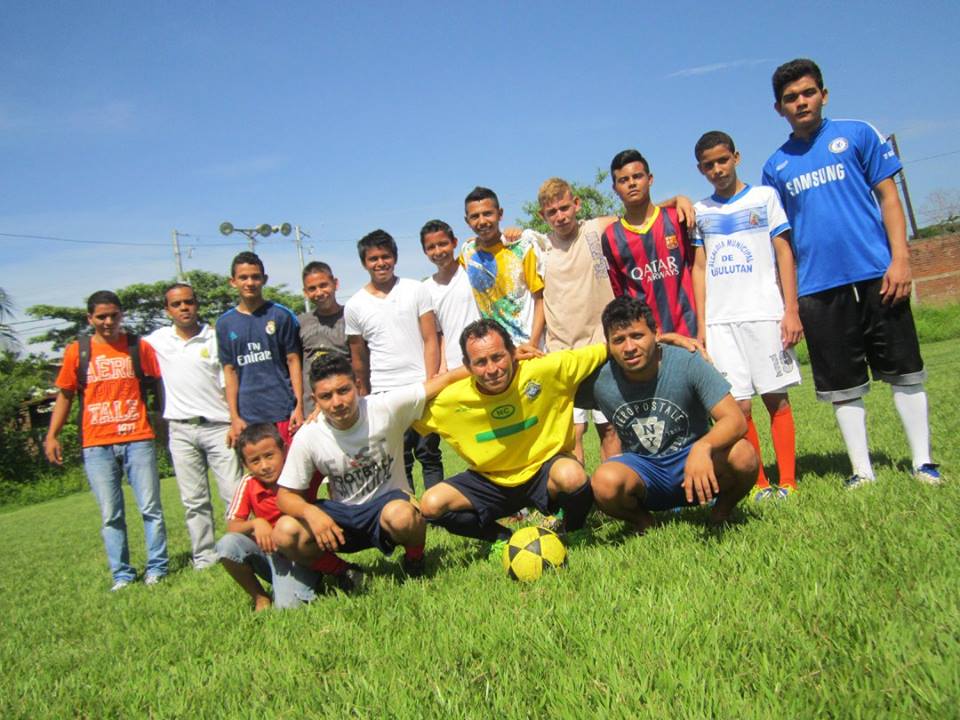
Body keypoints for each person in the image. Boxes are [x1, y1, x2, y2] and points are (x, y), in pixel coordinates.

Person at [761, 58, 940, 487]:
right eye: (791, 98)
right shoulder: (776, 166)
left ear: (823, 94)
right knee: (843, 383)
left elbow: (889, 197)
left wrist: (901, 259)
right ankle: (862, 470)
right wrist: (790, 303)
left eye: (808, 93)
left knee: (904, 369)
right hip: (819, 288)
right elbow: (781, 239)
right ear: (778, 109)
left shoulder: (858, 134)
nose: (801, 102)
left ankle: (923, 462)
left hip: (878, 274)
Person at [415, 319, 606, 551]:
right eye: (480, 362)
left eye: (498, 357)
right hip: (490, 482)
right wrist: (446, 378)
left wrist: (657, 341)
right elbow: (397, 409)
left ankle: (573, 530)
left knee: (573, 476)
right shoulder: (450, 400)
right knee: (431, 504)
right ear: (467, 366)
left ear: (513, 352)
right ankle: (500, 538)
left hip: (543, 470)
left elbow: (606, 349)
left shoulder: (546, 368)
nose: (492, 370)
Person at [273, 354, 468, 579]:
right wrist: (311, 513)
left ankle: (415, 561)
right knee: (285, 532)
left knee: (403, 516)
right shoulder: (309, 435)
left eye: (343, 390)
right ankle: (345, 574)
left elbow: (447, 379)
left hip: (386, 509)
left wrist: (510, 356)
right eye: (326, 396)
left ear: (357, 386)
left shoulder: (384, 407)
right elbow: (285, 496)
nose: (337, 402)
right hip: (342, 518)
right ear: (314, 399)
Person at [691, 131, 803, 501]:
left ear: (736, 157)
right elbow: (699, 266)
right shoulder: (700, 211)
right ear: (700, 169)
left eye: (723, 160)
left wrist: (790, 309)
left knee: (776, 398)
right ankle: (758, 482)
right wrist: (703, 325)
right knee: (738, 406)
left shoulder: (764, 198)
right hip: (721, 323)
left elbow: (784, 253)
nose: (717, 169)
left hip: (764, 314)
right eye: (709, 165)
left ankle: (788, 481)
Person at [584, 296, 757, 532]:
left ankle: (720, 514)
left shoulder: (687, 362)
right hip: (644, 472)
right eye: (619, 340)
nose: (629, 347)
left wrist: (702, 447)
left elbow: (735, 420)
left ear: (656, 334)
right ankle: (645, 524)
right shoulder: (600, 380)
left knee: (743, 455)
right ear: (608, 346)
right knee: (603, 482)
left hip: (695, 465)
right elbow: (552, 382)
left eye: (637, 335)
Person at [44, 290, 169, 591]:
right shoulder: (78, 351)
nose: (108, 321)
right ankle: (122, 575)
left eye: (114, 315)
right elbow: (65, 394)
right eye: (101, 316)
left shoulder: (139, 347)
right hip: (96, 443)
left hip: (137, 437)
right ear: (90, 319)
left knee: (150, 508)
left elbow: (158, 386)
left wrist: (163, 424)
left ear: (122, 315)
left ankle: (157, 567)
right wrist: (52, 435)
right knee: (111, 513)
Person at [146, 283, 242, 569]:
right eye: (177, 304)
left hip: (218, 427)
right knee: (194, 499)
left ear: (196, 304)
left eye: (189, 302)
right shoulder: (157, 341)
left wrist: (234, 419)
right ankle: (204, 556)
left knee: (233, 494)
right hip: (180, 430)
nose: (184, 308)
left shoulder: (214, 338)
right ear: (167, 310)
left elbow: (229, 381)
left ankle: (240, 547)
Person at [530, 177, 621, 464]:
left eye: (564, 208)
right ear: (542, 216)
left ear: (576, 204)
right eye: (552, 212)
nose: (560, 216)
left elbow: (638, 214)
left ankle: (614, 494)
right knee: (571, 431)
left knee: (610, 426)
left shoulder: (595, 229)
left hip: (602, 347)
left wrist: (678, 201)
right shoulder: (539, 247)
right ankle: (578, 498)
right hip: (562, 352)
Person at [344, 229, 443, 491]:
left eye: (385, 256)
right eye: (373, 259)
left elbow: (431, 339)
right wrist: (363, 391)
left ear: (395, 258)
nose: (380, 263)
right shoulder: (354, 305)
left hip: (420, 386)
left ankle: (439, 509)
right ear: (364, 263)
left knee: (429, 453)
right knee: (398, 457)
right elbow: (358, 356)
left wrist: (430, 380)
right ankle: (406, 506)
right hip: (384, 391)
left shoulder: (416, 289)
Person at [216, 423, 352, 611]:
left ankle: (328, 572)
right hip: (270, 553)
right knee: (227, 545)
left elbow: (328, 461)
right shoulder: (249, 483)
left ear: (285, 450)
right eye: (255, 461)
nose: (264, 466)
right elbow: (233, 527)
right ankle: (260, 597)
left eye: (269, 456)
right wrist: (257, 523)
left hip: (300, 554)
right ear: (245, 465)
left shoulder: (300, 473)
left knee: (288, 608)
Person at [602, 150, 698, 337]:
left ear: (650, 179)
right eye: (623, 180)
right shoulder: (611, 237)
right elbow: (620, 293)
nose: (631, 183)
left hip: (691, 332)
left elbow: (697, 270)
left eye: (637, 176)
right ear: (615, 189)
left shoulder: (677, 219)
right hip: (648, 340)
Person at [216, 251, 304, 447]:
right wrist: (235, 417)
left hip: (282, 410)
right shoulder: (224, 324)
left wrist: (298, 407)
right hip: (249, 416)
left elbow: (293, 360)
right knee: (262, 471)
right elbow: (229, 372)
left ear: (264, 279)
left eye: (255, 277)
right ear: (233, 281)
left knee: (291, 472)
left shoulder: (281, 315)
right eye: (243, 277)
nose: (250, 282)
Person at [460, 186, 545, 352]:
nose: (482, 221)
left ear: (500, 214)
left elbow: (540, 300)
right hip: (494, 351)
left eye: (488, 213)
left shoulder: (521, 247)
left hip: (526, 346)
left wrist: (533, 344)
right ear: (467, 221)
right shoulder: (467, 251)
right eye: (475, 216)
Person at [419, 219, 480, 371]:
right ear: (424, 251)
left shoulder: (471, 270)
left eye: (443, 244)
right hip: (455, 366)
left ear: (454, 242)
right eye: (431, 247)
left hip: (486, 358)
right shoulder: (425, 289)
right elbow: (439, 334)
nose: (438, 251)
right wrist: (442, 367)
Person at [297, 261, 349, 415]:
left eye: (323, 285)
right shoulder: (300, 323)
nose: (319, 292)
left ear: (335, 283)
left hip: (345, 405)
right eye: (312, 289)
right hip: (312, 411)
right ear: (305, 292)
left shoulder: (351, 317)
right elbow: (295, 365)